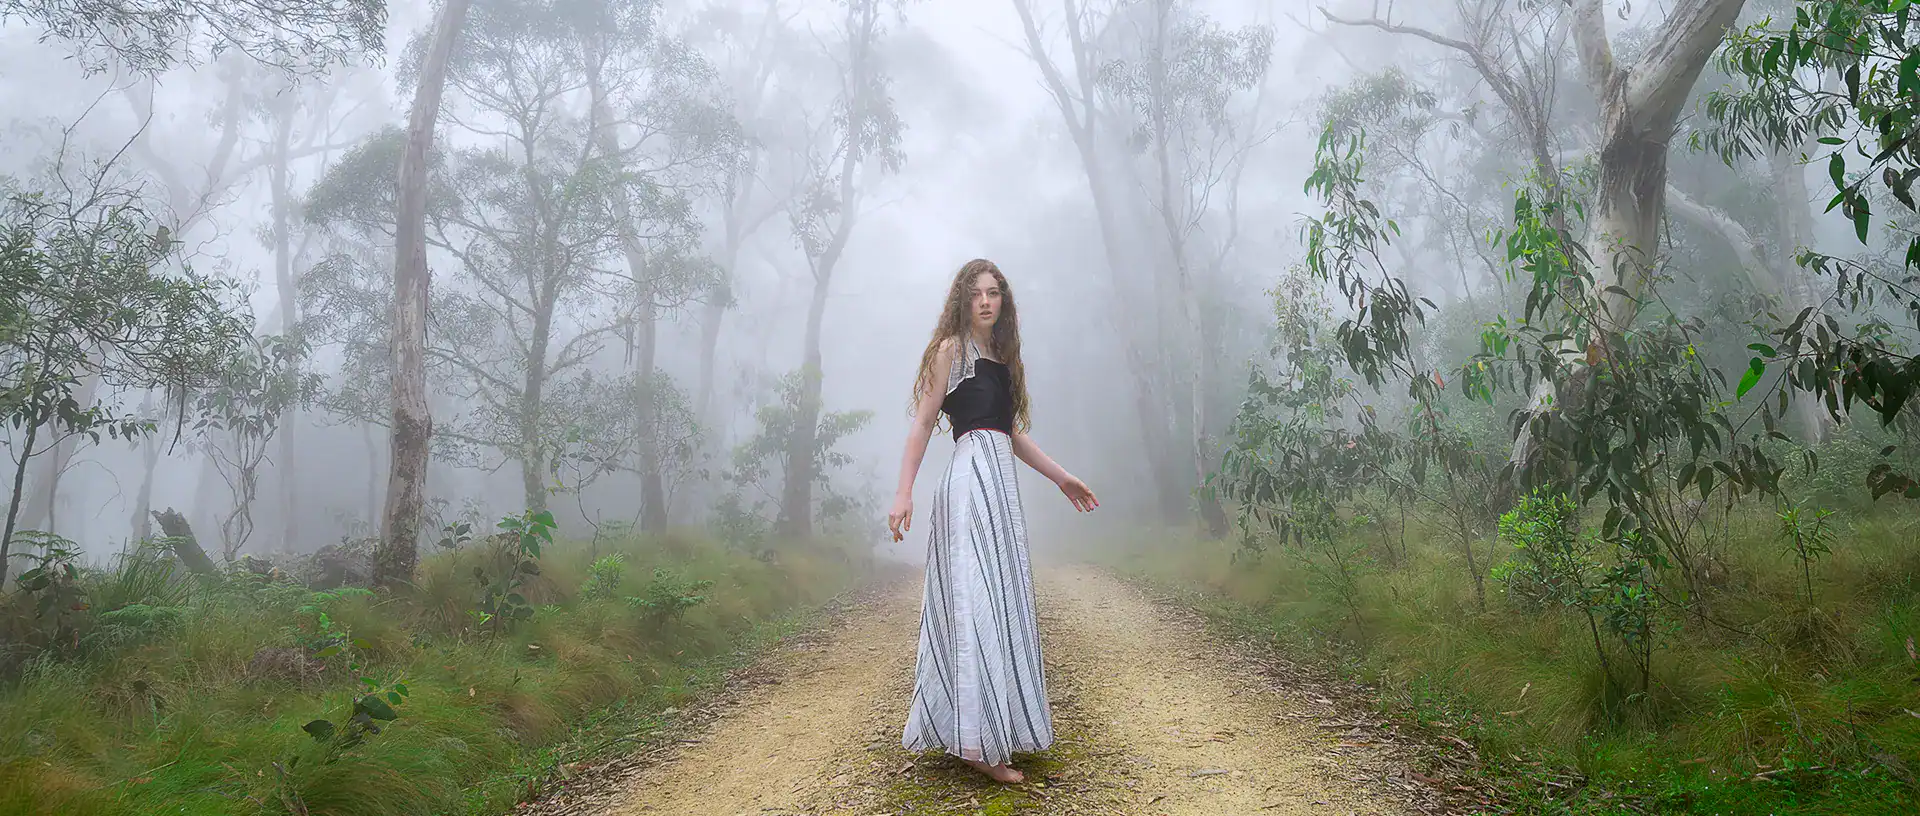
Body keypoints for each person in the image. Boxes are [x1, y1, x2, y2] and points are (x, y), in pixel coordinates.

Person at [887, 258, 1099, 784]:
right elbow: (923, 420)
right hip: (967, 486)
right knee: (974, 603)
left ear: (1003, 302)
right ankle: (976, 744)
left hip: (1000, 490)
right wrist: (903, 491)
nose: (986, 301)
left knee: (1000, 603)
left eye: (994, 293)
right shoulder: (950, 351)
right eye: (977, 293)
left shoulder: (1002, 359)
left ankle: (991, 727)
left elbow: (1011, 434)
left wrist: (1062, 476)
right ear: (963, 299)